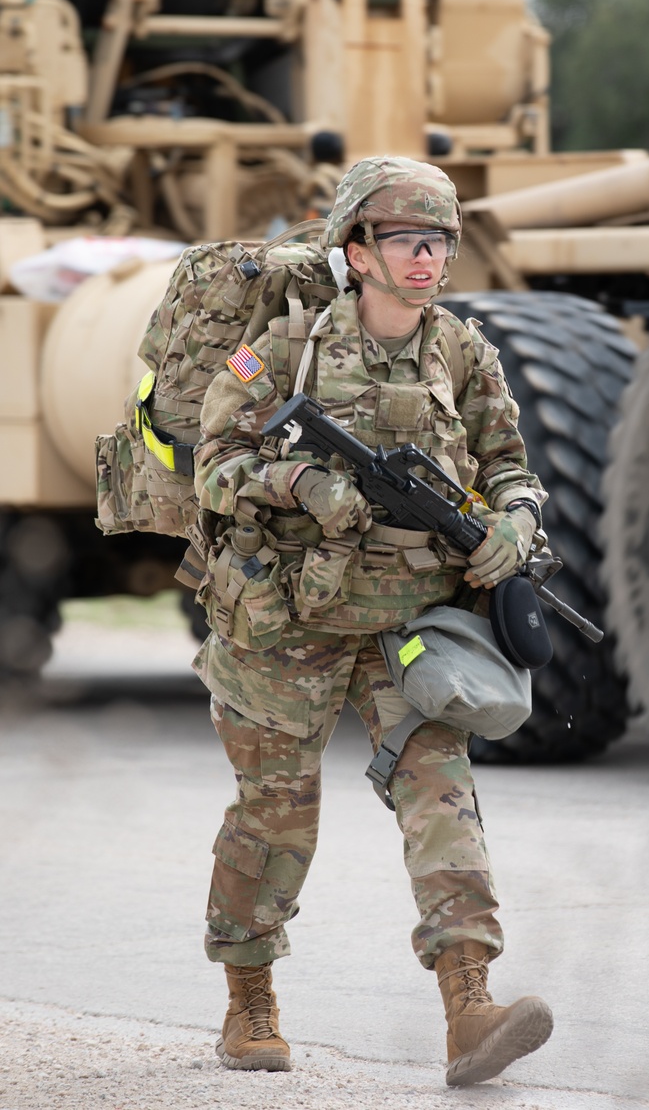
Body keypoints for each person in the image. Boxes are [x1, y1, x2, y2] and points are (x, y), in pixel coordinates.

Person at [191, 156, 553, 1088]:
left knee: (442, 795)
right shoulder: (284, 350)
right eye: (404, 240)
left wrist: (515, 522)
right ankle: (249, 1000)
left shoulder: (462, 353)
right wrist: (301, 481)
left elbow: (509, 461)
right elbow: (215, 466)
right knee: (276, 821)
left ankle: (469, 1005)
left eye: (438, 241)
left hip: (409, 624)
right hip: (287, 621)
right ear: (356, 250)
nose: (426, 259)